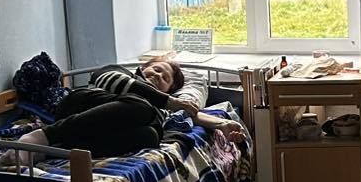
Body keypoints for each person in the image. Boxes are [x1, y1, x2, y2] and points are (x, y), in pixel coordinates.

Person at [12, 61, 243, 160]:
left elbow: (191, 114)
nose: (157, 76)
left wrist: (222, 124)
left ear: (169, 89)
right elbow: (117, 82)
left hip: (99, 132)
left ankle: (54, 150)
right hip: (80, 108)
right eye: (156, 69)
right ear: (143, 68)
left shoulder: (163, 106)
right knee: (142, 107)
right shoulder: (121, 72)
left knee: (150, 135)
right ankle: (44, 135)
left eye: (165, 78)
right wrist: (171, 101)